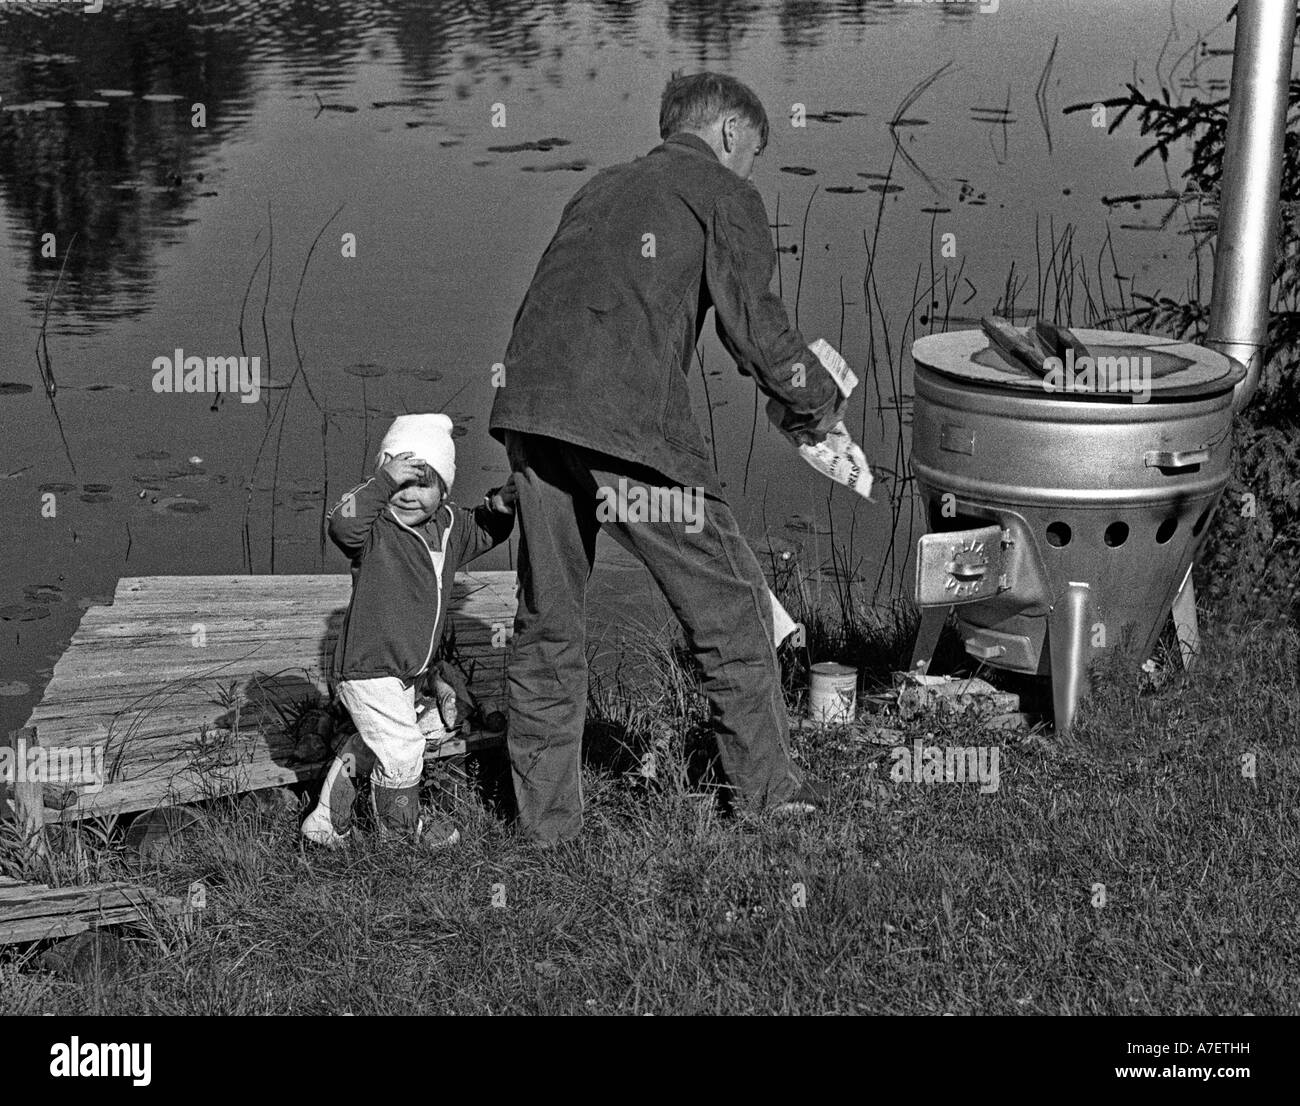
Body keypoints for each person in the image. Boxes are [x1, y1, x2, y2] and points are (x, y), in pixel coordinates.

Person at [489, 71, 847, 846]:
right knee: (731, 606)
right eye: (752, 151)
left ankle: (546, 830)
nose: (751, 167)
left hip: (531, 412)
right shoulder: (721, 191)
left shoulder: (601, 186)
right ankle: (769, 802)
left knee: (548, 621)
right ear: (726, 134)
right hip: (625, 427)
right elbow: (756, 327)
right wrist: (816, 405)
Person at [301, 413, 516, 848]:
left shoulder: (450, 528)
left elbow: (485, 530)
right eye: (399, 485)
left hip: (403, 672)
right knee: (403, 749)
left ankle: (325, 822)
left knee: (374, 744)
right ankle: (400, 835)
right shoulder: (375, 530)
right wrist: (381, 482)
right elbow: (341, 524)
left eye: (422, 484)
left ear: (443, 490)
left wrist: (500, 504)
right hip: (367, 669)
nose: (409, 496)